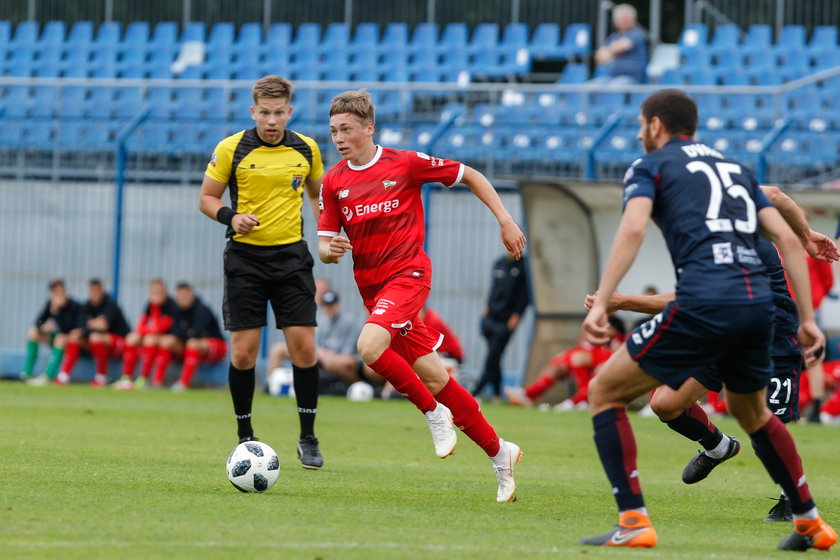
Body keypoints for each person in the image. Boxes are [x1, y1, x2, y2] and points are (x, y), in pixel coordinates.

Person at [579, 89, 836, 551]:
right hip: (757, 309)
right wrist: (809, 318)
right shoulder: (735, 169)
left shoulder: (649, 167)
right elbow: (787, 237)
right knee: (749, 413)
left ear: (656, 125)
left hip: (704, 306)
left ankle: (634, 522)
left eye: (641, 124)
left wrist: (605, 301)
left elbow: (633, 228)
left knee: (603, 391)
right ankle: (810, 522)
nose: (639, 133)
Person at [318, 89, 526, 501]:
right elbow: (324, 246)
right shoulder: (333, 181)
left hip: (409, 276)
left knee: (369, 345)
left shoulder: (405, 163)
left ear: (368, 128)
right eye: (333, 131)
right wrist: (331, 250)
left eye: (346, 129)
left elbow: (472, 175)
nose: (339, 138)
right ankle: (500, 453)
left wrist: (505, 219)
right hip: (373, 289)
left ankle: (433, 412)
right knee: (434, 376)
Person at [199, 75, 326, 469]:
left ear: (290, 111)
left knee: (303, 349)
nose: (272, 121)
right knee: (243, 354)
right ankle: (245, 437)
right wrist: (231, 216)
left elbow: (319, 196)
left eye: (279, 113)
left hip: (292, 260)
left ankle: (308, 437)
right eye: (265, 113)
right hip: (246, 261)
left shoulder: (306, 148)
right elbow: (206, 198)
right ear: (253, 111)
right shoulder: (231, 148)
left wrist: (326, 238)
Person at [506, 316, 625, 410]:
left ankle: (576, 402)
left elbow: (616, 354)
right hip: (581, 361)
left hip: (599, 365)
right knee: (556, 366)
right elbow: (581, 345)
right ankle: (529, 395)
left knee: (583, 361)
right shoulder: (593, 324)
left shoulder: (614, 330)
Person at [268, 290, 365, 395]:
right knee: (277, 349)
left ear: (338, 305)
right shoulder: (321, 320)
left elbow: (348, 353)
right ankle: (270, 385)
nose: (330, 308)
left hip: (339, 359)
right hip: (320, 356)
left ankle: (361, 387)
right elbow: (314, 343)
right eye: (327, 305)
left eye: (332, 305)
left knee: (339, 362)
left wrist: (328, 355)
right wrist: (321, 353)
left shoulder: (349, 322)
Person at [472, 253, 530, 401]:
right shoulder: (499, 263)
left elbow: (525, 294)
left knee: (493, 356)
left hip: (506, 320)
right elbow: (494, 289)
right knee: (495, 357)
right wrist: (486, 309)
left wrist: (518, 314)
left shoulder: (524, 265)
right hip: (490, 317)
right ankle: (497, 395)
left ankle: (475, 392)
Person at [150, 282, 227, 391]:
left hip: (216, 347)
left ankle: (183, 384)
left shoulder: (202, 310)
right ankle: (157, 382)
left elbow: (197, 334)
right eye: (180, 296)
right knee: (166, 341)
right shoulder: (176, 311)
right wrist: (185, 334)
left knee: (193, 343)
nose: (183, 298)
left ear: (193, 295)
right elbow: (175, 332)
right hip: (190, 346)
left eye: (186, 295)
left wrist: (184, 335)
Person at [56, 278, 131, 387]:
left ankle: (101, 377)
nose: (94, 293)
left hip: (119, 344)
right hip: (96, 345)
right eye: (92, 291)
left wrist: (89, 325)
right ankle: (63, 376)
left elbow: (103, 325)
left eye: (97, 290)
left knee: (95, 337)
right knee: (74, 337)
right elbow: (80, 326)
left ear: (102, 291)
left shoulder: (110, 304)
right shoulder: (86, 306)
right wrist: (91, 325)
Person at [113, 278, 178, 390]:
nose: (156, 293)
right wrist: (146, 331)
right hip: (153, 336)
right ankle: (126, 377)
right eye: (153, 291)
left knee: (149, 339)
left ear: (165, 291)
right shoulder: (150, 304)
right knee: (131, 338)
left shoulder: (171, 305)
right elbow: (140, 326)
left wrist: (155, 311)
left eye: (159, 290)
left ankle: (144, 378)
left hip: (171, 342)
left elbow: (161, 327)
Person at [22, 279, 81, 384]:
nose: (60, 294)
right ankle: (27, 373)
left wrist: (56, 312)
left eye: (61, 291)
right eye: (56, 292)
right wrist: (42, 327)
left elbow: (66, 328)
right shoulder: (50, 305)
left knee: (60, 337)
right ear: (51, 293)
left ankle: (48, 376)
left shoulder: (73, 306)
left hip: (71, 341)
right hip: (56, 338)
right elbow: (38, 321)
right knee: (33, 332)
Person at [593, 4, 648, 85]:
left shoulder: (637, 34)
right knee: (589, 87)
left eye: (625, 19)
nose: (623, 22)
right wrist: (612, 50)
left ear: (634, 20)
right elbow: (599, 57)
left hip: (632, 78)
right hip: (611, 77)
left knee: (614, 87)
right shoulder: (613, 37)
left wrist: (609, 52)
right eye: (620, 19)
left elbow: (624, 45)